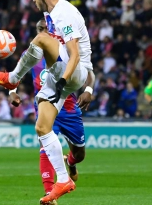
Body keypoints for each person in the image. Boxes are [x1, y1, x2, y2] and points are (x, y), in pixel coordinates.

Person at [0, 0, 93, 204]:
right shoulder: (49, 13)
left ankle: (12, 78)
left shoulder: (64, 13)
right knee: (42, 127)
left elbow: (74, 55)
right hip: (60, 75)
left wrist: (63, 81)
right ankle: (63, 180)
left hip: (74, 71)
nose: (33, 1)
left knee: (42, 39)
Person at [9, 19, 95, 205]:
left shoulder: (66, 49)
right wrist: (12, 92)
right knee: (45, 145)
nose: (43, 32)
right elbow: (17, 74)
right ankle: (50, 193)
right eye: (40, 29)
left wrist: (88, 90)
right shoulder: (29, 53)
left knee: (79, 155)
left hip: (69, 108)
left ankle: (70, 162)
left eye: (46, 29)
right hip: (45, 104)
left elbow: (88, 71)